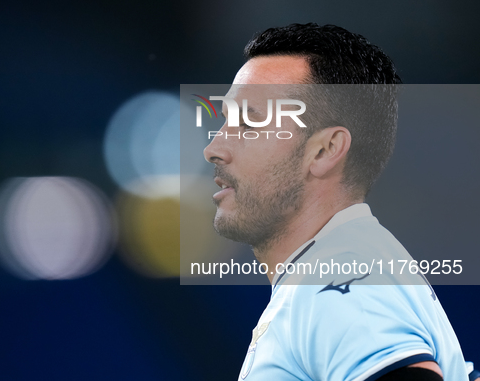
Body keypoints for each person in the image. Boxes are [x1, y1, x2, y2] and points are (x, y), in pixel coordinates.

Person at [203, 23, 475, 380]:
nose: (213, 149)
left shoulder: (335, 276)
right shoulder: (346, 264)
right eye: (224, 123)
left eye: (250, 123)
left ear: (326, 150)